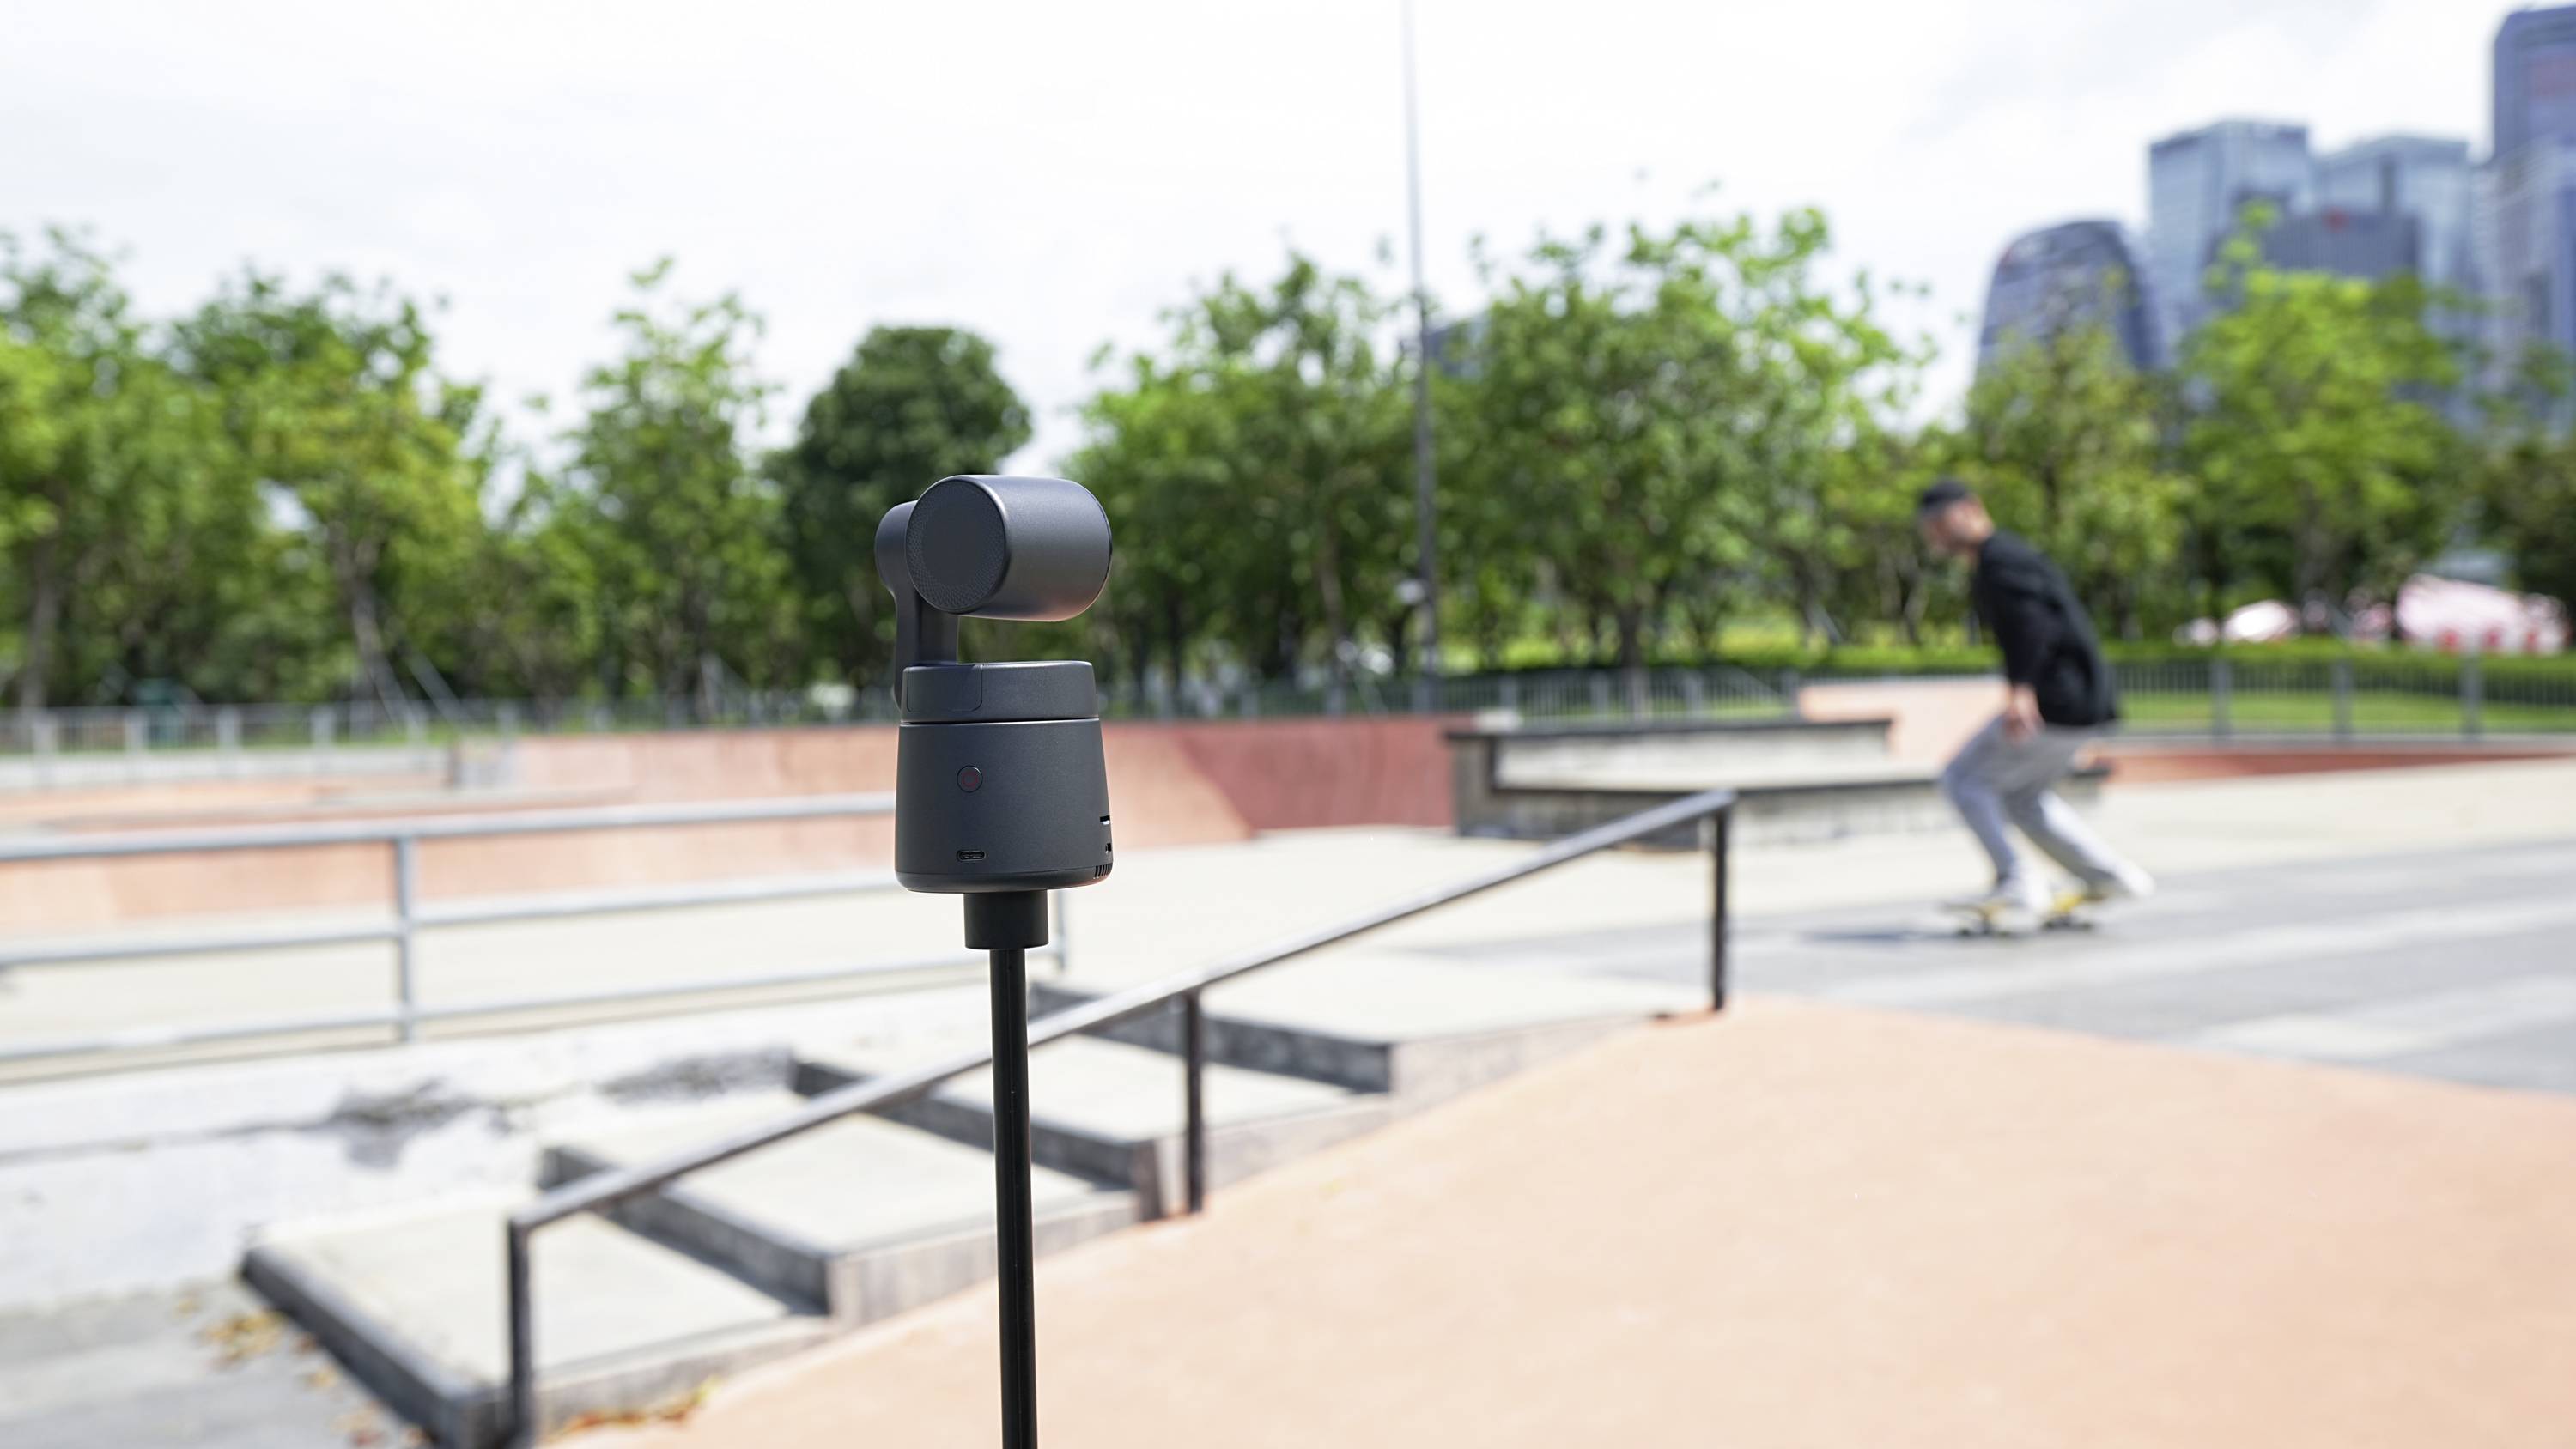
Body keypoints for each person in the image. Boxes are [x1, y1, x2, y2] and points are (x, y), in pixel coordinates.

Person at [1917, 478, 2154, 925]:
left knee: (1963, 778)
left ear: (1970, 509)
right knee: (2024, 796)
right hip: (2084, 701)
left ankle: (2016, 881)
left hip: (2057, 698)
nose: (1935, 536)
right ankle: (2107, 875)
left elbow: (2032, 625)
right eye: (1929, 528)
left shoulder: (1999, 559)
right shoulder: (2010, 555)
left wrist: (2021, 689)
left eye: (1940, 523)